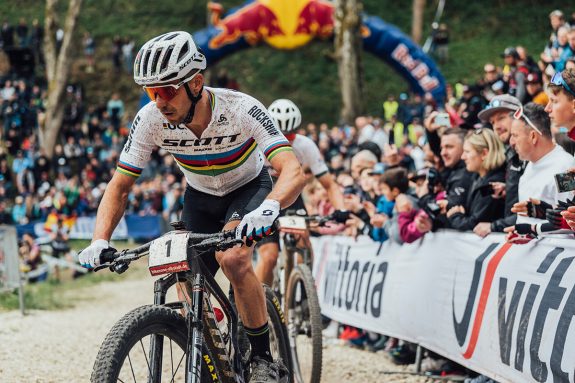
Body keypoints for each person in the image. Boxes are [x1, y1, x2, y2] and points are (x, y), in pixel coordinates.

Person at [79, 31, 304, 382]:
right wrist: (99, 239)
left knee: (233, 258)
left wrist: (270, 207)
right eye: (151, 92)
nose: (159, 101)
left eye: (167, 90)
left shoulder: (240, 108)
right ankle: (207, 339)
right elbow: (120, 185)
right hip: (199, 194)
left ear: (196, 83)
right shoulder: (151, 118)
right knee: (180, 271)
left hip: (248, 189)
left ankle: (262, 359)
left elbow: (292, 170)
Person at [254, 98, 347, 286]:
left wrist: (342, 209)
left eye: (290, 135)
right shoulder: (256, 144)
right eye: (279, 134)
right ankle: (259, 303)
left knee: (303, 241)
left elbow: (329, 184)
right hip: (262, 196)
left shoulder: (306, 145)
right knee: (270, 256)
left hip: (290, 195)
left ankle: (304, 290)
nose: (285, 140)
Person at [473, 94, 526, 237]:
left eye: (501, 118)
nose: (496, 126)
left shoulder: (531, 155)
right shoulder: (511, 155)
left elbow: (541, 211)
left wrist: (494, 226)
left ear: (518, 116)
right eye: (492, 122)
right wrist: (509, 190)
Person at [446, 128, 506, 231]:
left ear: (484, 153)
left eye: (467, 152)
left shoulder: (492, 184)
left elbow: (475, 224)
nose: (462, 157)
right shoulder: (477, 177)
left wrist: (455, 216)